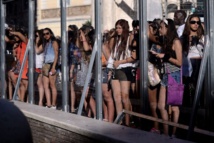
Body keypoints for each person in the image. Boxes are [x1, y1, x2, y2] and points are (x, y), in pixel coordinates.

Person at [151, 19, 182, 137]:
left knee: (174, 107)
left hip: (174, 75)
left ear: (168, 28)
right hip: (165, 74)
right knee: (161, 106)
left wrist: (165, 57)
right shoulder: (165, 42)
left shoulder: (176, 42)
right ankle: (166, 132)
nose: (159, 30)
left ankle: (173, 133)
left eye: (162, 27)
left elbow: (179, 62)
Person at [107, 19, 134, 126]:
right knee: (116, 96)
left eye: (120, 28)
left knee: (124, 97)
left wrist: (120, 62)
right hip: (115, 69)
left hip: (125, 68)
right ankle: (119, 119)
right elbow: (110, 54)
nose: (118, 30)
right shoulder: (116, 40)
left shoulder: (129, 38)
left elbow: (133, 57)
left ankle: (127, 120)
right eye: (116, 27)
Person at [180, 14, 204, 107]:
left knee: (198, 90)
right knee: (188, 90)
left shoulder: (202, 36)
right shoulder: (184, 37)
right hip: (188, 64)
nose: (196, 24)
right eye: (193, 22)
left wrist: (198, 42)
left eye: (198, 22)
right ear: (188, 23)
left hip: (199, 64)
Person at [10, 28, 29, 102]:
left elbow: (20, 35)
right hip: (19, 66)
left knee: (24, 83)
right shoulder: (18, 45)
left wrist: (14, 32)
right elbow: (16, 58)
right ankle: (20, 97)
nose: (15, 38)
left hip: (25, 65)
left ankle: (23, 99)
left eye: (17, 36)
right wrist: (14, 51)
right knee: (19, 82)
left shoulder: (25, 42)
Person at [42, 28, 59, 109]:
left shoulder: (54, 42)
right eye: (44, 34)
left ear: (51, 34)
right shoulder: (46, 44)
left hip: (52, 64)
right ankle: (48, 103)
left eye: (47, 33)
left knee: (52, 85)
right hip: (46, 64)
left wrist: (54, 67)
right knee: (46, 85)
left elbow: (56, 55)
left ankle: (53, 104)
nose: (46, 35)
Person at [102, 28, 115, 122]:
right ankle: (106, 117)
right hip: (102, 71)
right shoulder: (103, 45)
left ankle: (110, 120)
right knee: (104, 96)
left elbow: (110, 61)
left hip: (107, 71)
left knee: (107, 96)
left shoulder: (104, 46)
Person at [35, 29, 45, 106]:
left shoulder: (42, 44)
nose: (36, 37)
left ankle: (40, 101)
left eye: (37, 36)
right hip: (35, 65)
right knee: (36, 83)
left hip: (40, 65)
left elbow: (37, 51)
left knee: (40, 83)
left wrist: (36, 42)